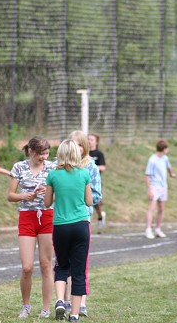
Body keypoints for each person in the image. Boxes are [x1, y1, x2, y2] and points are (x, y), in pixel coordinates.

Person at [44, 139, 93, 323]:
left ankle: (59, 301)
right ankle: (74, 315)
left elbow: (47, 203)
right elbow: (89, 201)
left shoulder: (53, 175)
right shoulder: (84, 173)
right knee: (79, 271)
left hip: (60, 226)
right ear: (77, 154)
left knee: (61, 266)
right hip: (80, 225)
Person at [7, 136, 55, 319]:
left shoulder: (52, 168)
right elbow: (10, 195)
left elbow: (58, 193)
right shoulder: (19, 167)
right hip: (26, 218)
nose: (44, 157)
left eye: (46, 153)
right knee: (27, 267)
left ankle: (46, 308)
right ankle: (25, 305)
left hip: (47, 216)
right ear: (31, 152)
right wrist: (27, 196)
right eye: (41, 153)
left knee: (45, 264)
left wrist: (48, 194)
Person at [64, 130, 102, 317]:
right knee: (63, 262)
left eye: (80, 144)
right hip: (62, 219)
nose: (76, 148)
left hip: (81, 218)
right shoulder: (61, 167)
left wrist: (80, 196)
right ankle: (63, 300)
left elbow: (96, 196)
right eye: (73, 143)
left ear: (85, 147)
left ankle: (81, 302)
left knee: (81, 262)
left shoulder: (91, 167)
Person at [144, 139, 176, 239]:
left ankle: (158, 228)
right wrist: (150, 190)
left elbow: (169, 167)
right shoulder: (152, 160)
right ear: (164, 149)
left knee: (161, 208)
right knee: (152, 208)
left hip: (163, 186)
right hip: (154, 186)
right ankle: (148, 229)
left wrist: (171, 174)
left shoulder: (165, 158)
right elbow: (147, 175)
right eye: (167, 148)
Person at [88, 133, 106, 230]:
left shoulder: (99, 154)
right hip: (83, 181)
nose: (89, 141)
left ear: (96, 141)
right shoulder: (84, 153)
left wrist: (91, 167)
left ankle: (100, 216)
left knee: (96, 203)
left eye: (91, 139)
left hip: (94, 182)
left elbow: (103, 167)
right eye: (88, 139)